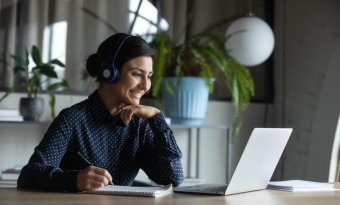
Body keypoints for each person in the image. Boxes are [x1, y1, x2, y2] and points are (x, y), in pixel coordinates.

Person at [17, 33, 184, 192]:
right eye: (137, 74)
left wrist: (156, 117)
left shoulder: (140, 124)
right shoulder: (72, 119)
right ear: (110, 73)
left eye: (149, 76)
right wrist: (75, 180)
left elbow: (173, 177)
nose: (146, 86)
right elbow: (29, 175)